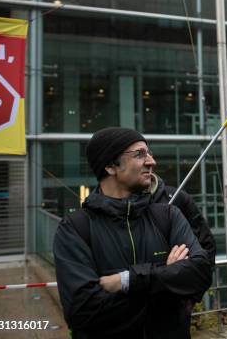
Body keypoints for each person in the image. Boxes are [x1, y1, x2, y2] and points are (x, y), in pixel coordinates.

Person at [53, 127, 213, 339]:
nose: (151, 162)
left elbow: (201, 273)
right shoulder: (75, 229)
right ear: (110, 166)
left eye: (149, 153)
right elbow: (83, 313)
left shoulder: (168, 215)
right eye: (140, 154)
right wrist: (167, 280)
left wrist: (127, 280)